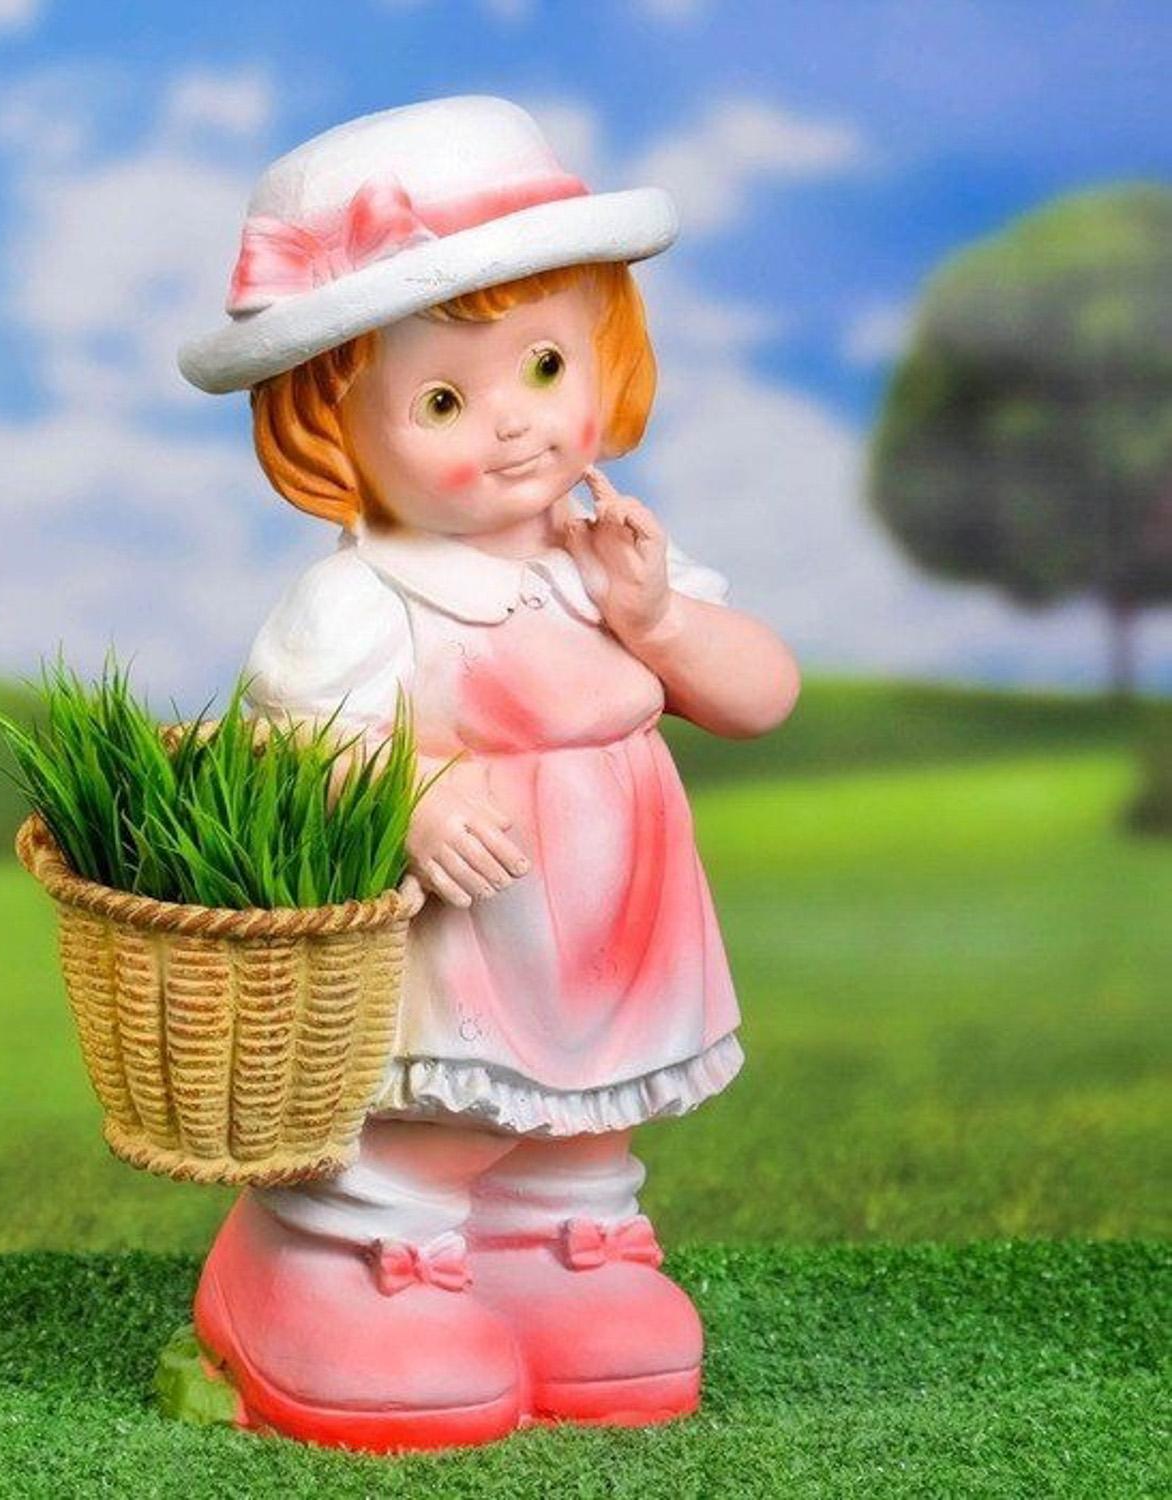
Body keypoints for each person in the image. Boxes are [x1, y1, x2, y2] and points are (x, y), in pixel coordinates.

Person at [176, 95, 800, 1451]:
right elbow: (274, 752)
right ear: (331, 429)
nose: (513, 427)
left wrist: (657, 622)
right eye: (445, 400)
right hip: (457, 949)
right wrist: (405, 790)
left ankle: (561, 1246)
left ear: (608, 358)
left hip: (614, 940)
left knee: (579, 1124)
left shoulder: (602, 562)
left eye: (546, 367)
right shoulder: (366, 599)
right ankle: (335, 1256)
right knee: (428, 1116)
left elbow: (761, 696)